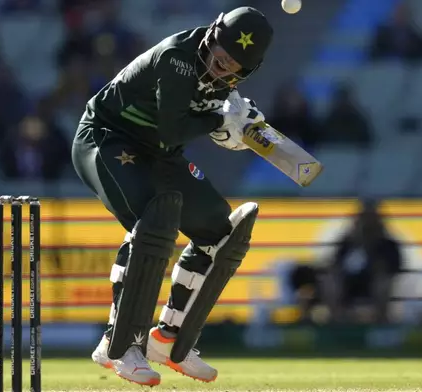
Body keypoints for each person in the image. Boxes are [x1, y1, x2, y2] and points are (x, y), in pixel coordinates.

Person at [71, 7, 273, 386]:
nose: (222, 65)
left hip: (159, 152)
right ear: (212, 35)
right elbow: (172, 130)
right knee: (154, 220)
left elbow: (197, 123)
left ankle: (167, 338)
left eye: (233, 64)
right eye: (221, 54)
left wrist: (240, 123)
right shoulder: (177, 57)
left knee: (219, 229)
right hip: (108, 138)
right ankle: (117, 345)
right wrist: (219, 122)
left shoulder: (224, 80)